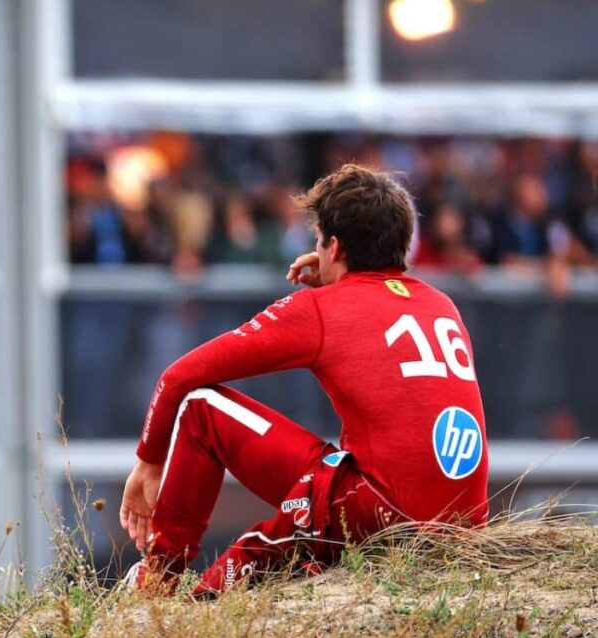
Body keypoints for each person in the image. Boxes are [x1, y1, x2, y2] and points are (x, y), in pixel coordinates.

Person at [119, 164, 489, 597]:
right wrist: (338, 273)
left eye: (319, 241)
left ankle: (158, 580)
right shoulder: (441, 304)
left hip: (381, 513)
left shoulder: (321, 310)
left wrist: (148, 462)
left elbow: (179, 375)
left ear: (333, 245)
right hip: (467, 528)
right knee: (332, 482)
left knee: (201, 409)